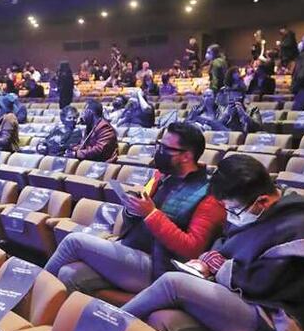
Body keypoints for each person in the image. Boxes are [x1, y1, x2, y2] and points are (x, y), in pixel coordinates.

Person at [122, 154, 304, 331]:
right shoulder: (256, 207)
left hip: (277, 318)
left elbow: (275, 284)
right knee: (161, 316)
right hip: (243, 299)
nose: (229, 216)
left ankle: (108, 325)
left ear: (262, 201)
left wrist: (223, 268)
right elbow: (227, 238)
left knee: (172, 283)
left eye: (233, 210)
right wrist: (211, 258)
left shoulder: (300, 226)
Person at [42, 123, 225, 295]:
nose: (159, 151)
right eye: (159, 144)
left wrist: (151, 214)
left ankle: (31, 291)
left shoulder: (209, 196)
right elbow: (137, 219)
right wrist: (132, 209)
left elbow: (191, 249)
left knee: (74, 241)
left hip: (158, 266)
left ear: (186, 156)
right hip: (130, 249)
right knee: (68, 274)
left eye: (166, 148)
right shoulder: (162, 175)